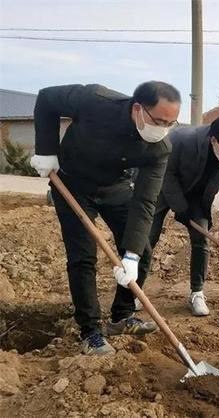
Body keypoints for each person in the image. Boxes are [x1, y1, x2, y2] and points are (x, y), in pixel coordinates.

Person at [30, 82, 181, 355]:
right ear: (137, 109)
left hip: (115, 188)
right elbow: (47, 99)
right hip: (73, 184)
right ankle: (90, 332)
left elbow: (145, 202)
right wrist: (46, 150)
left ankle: (122, 316)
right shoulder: (94, 101)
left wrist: (131, 255)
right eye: (159, 121)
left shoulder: (159, 149)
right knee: (83, 256)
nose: (163, 129)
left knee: (142, 250)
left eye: (171, 124)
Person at [137, 116, 219, 316]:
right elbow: (167, 174)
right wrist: (180, 207)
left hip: (196, 195)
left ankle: (197, 293)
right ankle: (134, 290)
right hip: (162, 187)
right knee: (147, 238)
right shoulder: (181, 139)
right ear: (214, 140)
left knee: (201, 238)